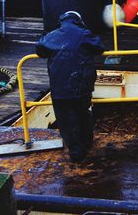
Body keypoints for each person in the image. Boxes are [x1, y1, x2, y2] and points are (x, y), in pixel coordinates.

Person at [36, 11, 105, 163]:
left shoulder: (52, 35)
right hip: (82, 85)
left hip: (60, 86)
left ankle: (76, 152)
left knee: (66, 120)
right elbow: (99, 46)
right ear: (78, 21)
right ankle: (87, 143)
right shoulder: (84, 33)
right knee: (83, 114)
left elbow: (40, 49)